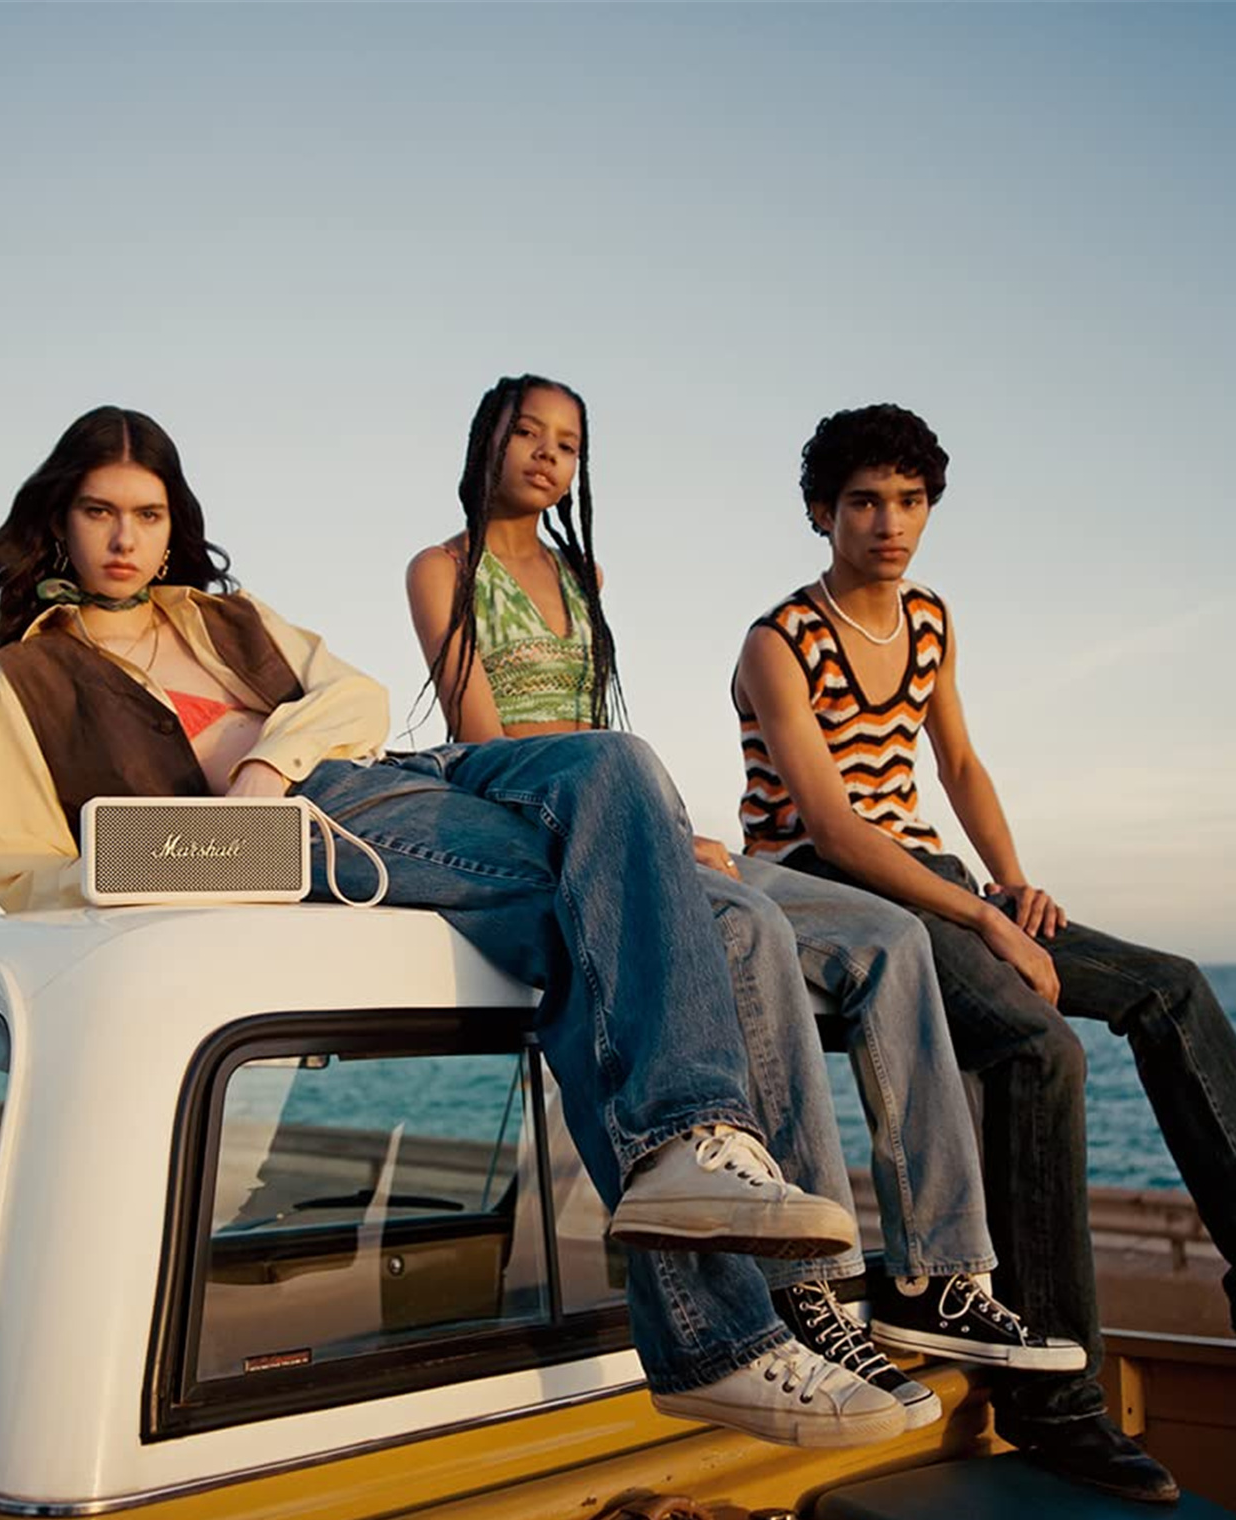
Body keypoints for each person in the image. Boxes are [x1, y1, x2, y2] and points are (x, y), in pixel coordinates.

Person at [0, 405, 921, 1451]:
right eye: (100, 512)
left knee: (615, 762)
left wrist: (265, 761)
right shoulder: (26, 678)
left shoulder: (226, 618)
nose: (125, 538)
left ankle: (708, 1170)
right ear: (62, 518)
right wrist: (172, 859)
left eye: (148, 514)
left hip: (391, 776)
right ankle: (723, 1327)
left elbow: (352, 696)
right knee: (682, 918)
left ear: (174, 524)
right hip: (289, 843)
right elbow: (27, 875)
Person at [404, 374, 1081, 1438]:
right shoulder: (442, 568)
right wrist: (638, 822)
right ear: (484, 442)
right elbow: (487, 737)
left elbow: (599, 717)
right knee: (755, 927)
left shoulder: (584, 575)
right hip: (531, 805)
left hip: (630, 802)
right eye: (525, 433)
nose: (546, 455)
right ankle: (810, 1290)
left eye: (567, 443)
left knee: (893, 937)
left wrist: (664, 822)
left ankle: (939, 1273)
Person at [732, 400, 1236, 1500]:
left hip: (940, 876)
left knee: (1169, 988)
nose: (890, 523)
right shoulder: (779, 640)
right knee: (1036, 1047)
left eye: (910, 501)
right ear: (822, 513)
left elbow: (960, 764)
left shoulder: (929, 619)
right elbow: (828, 826)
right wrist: (982, 920)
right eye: (865, 502)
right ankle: (1056, 1401)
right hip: (836, 886)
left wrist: (1011, 883)